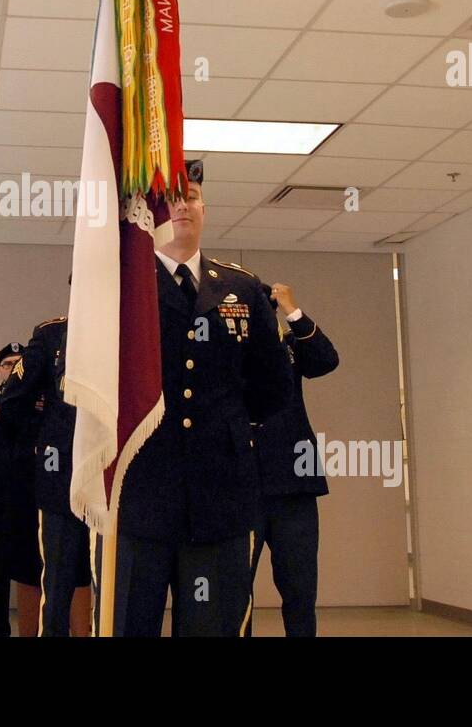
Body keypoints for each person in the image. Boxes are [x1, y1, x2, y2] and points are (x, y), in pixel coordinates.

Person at [109, 159, 295, 636]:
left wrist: (224, 426)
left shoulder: (241, 288)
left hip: (221, 495)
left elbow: (274, 388)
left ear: (204, 207)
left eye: (190, 195)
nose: (183, 204)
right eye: (171, 197)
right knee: (131, 624)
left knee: (213, 627)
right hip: (140, 493)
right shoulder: (122, 285)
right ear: (153, 213)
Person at [249, 282, 338, 637]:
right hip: (243, 487)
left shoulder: (288, 348)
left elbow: (326, 360)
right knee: (234, 591)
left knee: (300, 589)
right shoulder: (227, 349)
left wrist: (292, 309)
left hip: (295, 486)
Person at [0, 315, 93, 636]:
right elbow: (11, 399)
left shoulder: (133, 330)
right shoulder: (53, 334)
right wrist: (45, 435)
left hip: (116, 479)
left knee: (120, 586)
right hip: (60, 479)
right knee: (57, 584)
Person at [0, 342, 41, 636]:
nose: (13, 369)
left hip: (28, 496)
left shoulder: (38, 402)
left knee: (32, 567)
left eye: (19, 364)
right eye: (8, 364)